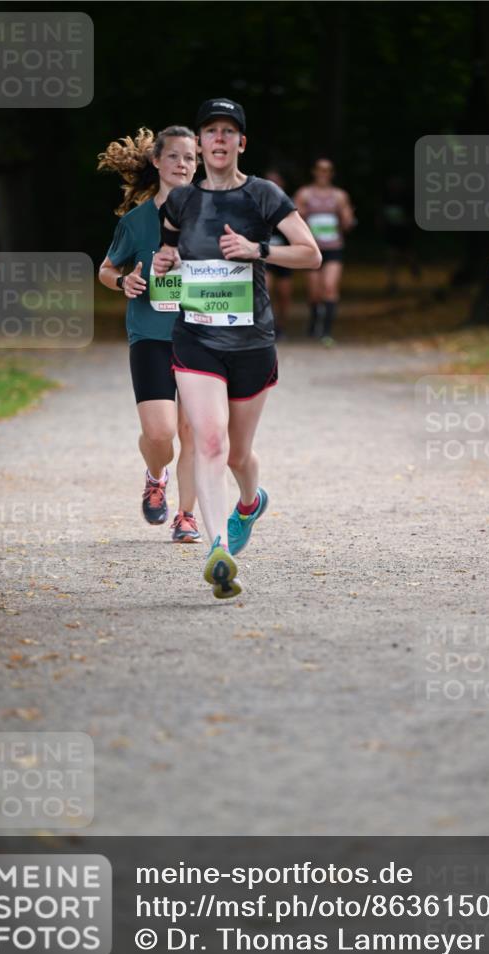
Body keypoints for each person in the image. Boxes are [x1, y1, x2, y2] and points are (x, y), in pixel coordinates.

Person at [153, 98, 321, 599]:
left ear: (241, 143)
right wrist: (165, 263)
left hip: (251, 342)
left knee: (239, 455)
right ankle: (218, 551)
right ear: (200, 143)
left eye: (229, 132)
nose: (219, 139)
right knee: (209, 441)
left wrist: (258, 250)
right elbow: (170, 252)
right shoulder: (180, 201)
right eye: (211, 132)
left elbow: (311, 254)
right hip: (196, 337)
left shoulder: (264, 195)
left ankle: (249, 502)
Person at [97, 126, 201, 541]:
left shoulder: (210, 216)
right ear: (157, 161)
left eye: (190, 158)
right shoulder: (136, 222)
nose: (182, 164)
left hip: (199, 337)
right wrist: (125, 284)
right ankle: (156, 475)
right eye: (174, 156)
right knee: (161, 435)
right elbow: (106, 269)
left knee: (193, 433)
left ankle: (187, 516)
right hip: (151, 337)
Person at [294, 158, 356, 345]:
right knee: (314, 292)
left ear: (331, 173)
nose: (323, 173)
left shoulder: (339, 196)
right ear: (314, 171)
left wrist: (347, 219)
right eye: (320, 169)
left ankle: (326, 331)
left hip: (333, 248)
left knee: (330, 288)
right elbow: (294, 220)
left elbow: (347, 223)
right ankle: (314, 320)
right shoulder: (304, 194)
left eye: (327, 170)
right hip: (312, 249)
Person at [264, 169, 293, 339]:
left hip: (284, 256)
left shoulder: (289, 204)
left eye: (276, 181)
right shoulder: (257, 202)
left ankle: (281, 325)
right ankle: (269, 325)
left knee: (284, 293)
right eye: (269, 181)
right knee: (266, 289)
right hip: (264, 254)